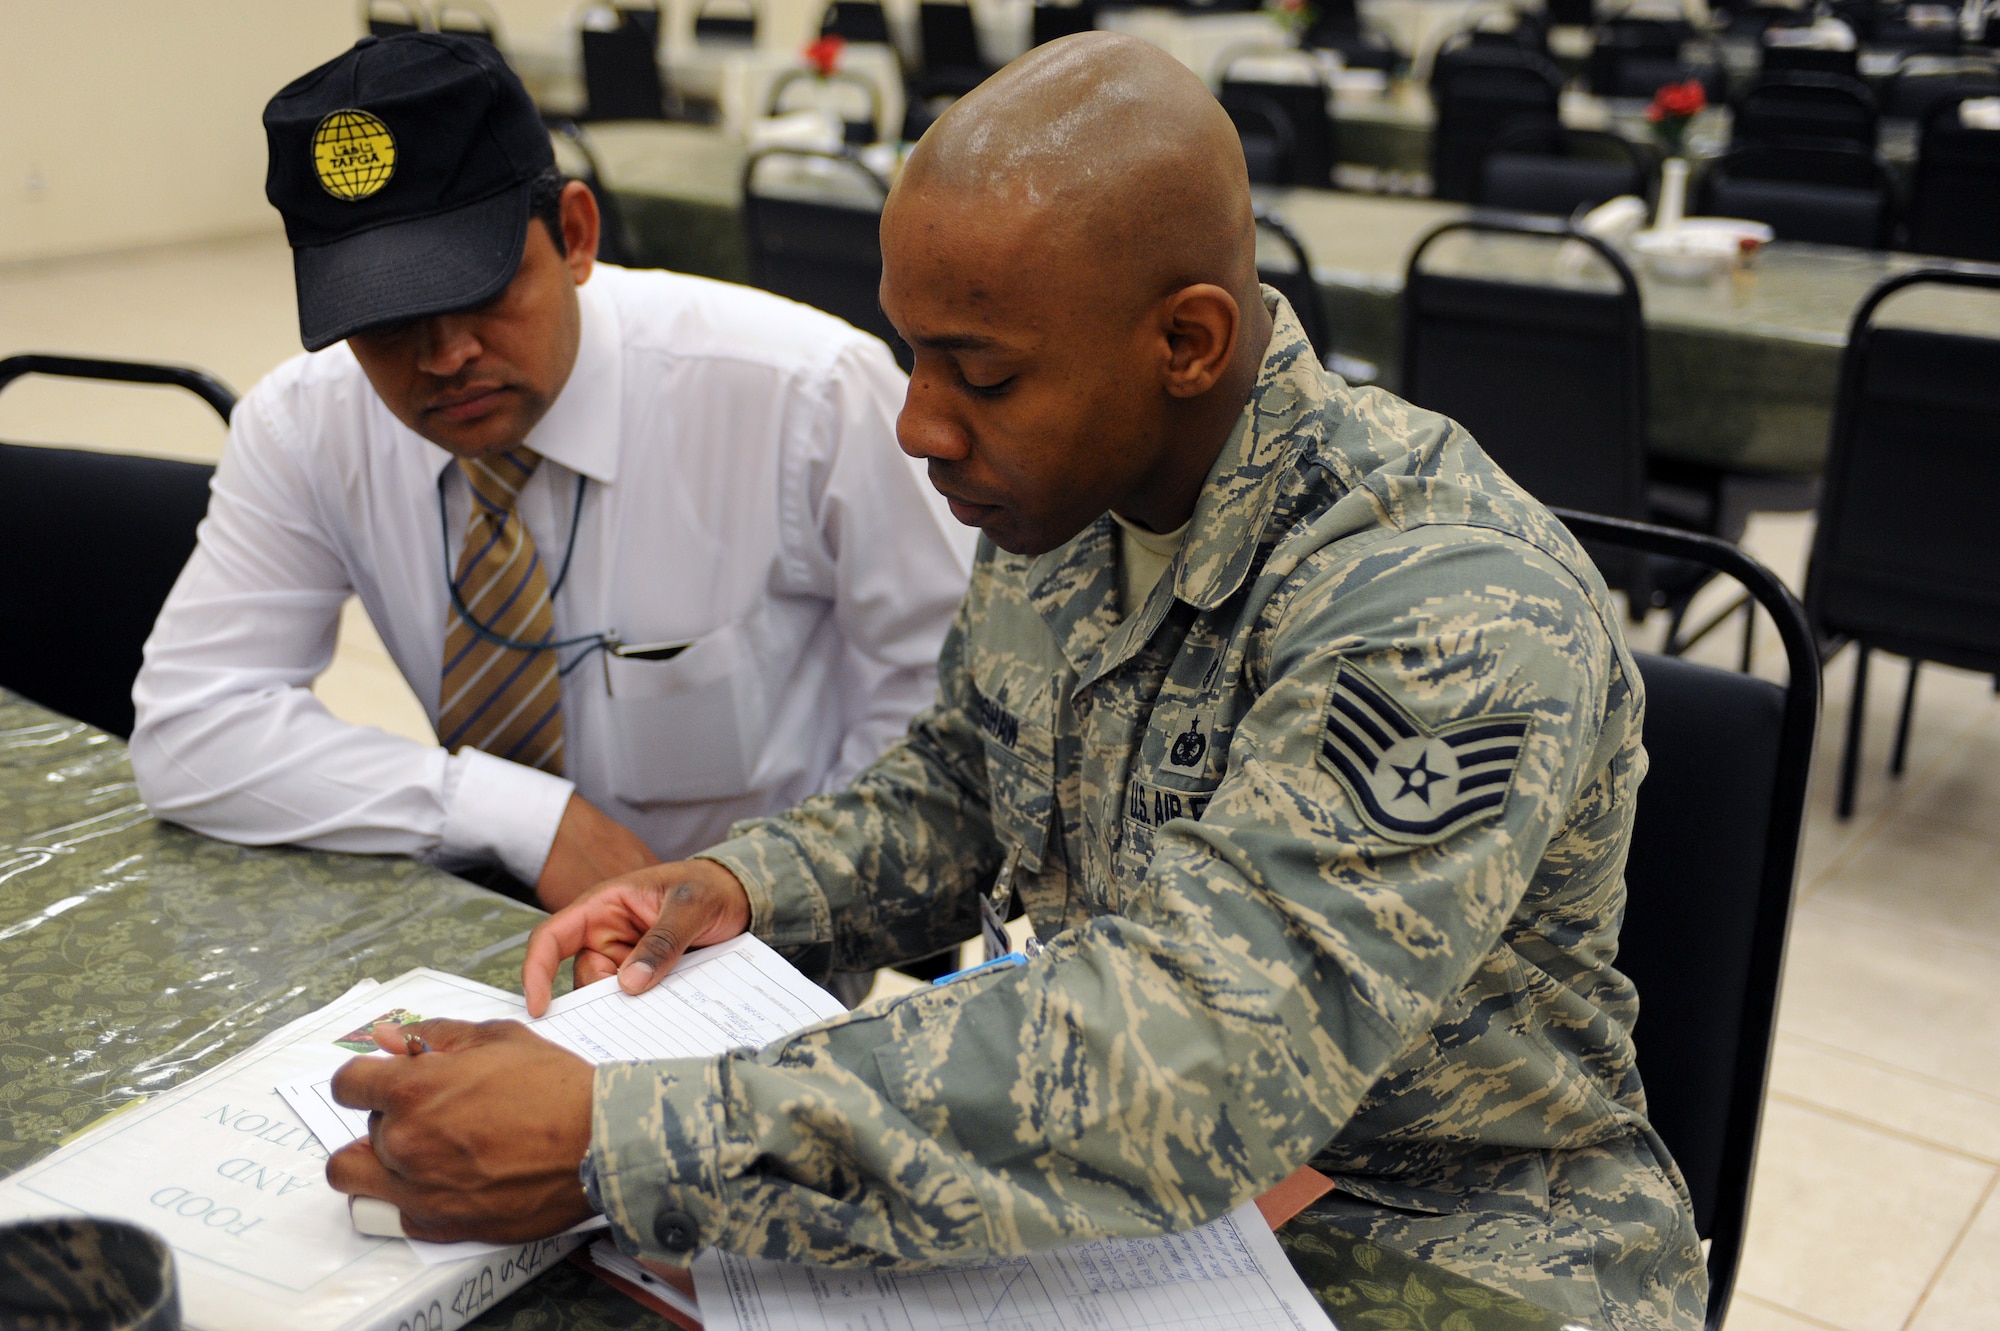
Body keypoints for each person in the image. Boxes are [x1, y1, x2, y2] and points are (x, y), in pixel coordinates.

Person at [324, 33, 1706, 1330]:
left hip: (1459, 1230)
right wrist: (748, 888)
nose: (921, 422)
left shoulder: (1441, 598)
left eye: (976, 371)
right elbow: (962, 785)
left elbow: (1201, 1044)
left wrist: (617, 1136)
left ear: (1186, 344)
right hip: (1151, 1197)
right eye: (916, 351)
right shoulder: (1074, 494)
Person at [129, 33, 972, 910]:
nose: (447, 355)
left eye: (483, 293)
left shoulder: (804, 396)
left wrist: (774, 902)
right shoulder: (306, 424)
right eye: (386, 323)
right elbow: (189, 731)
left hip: (766, 951)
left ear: (575, 235)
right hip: (482, 939)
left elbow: (945, 724)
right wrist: (524, 817)